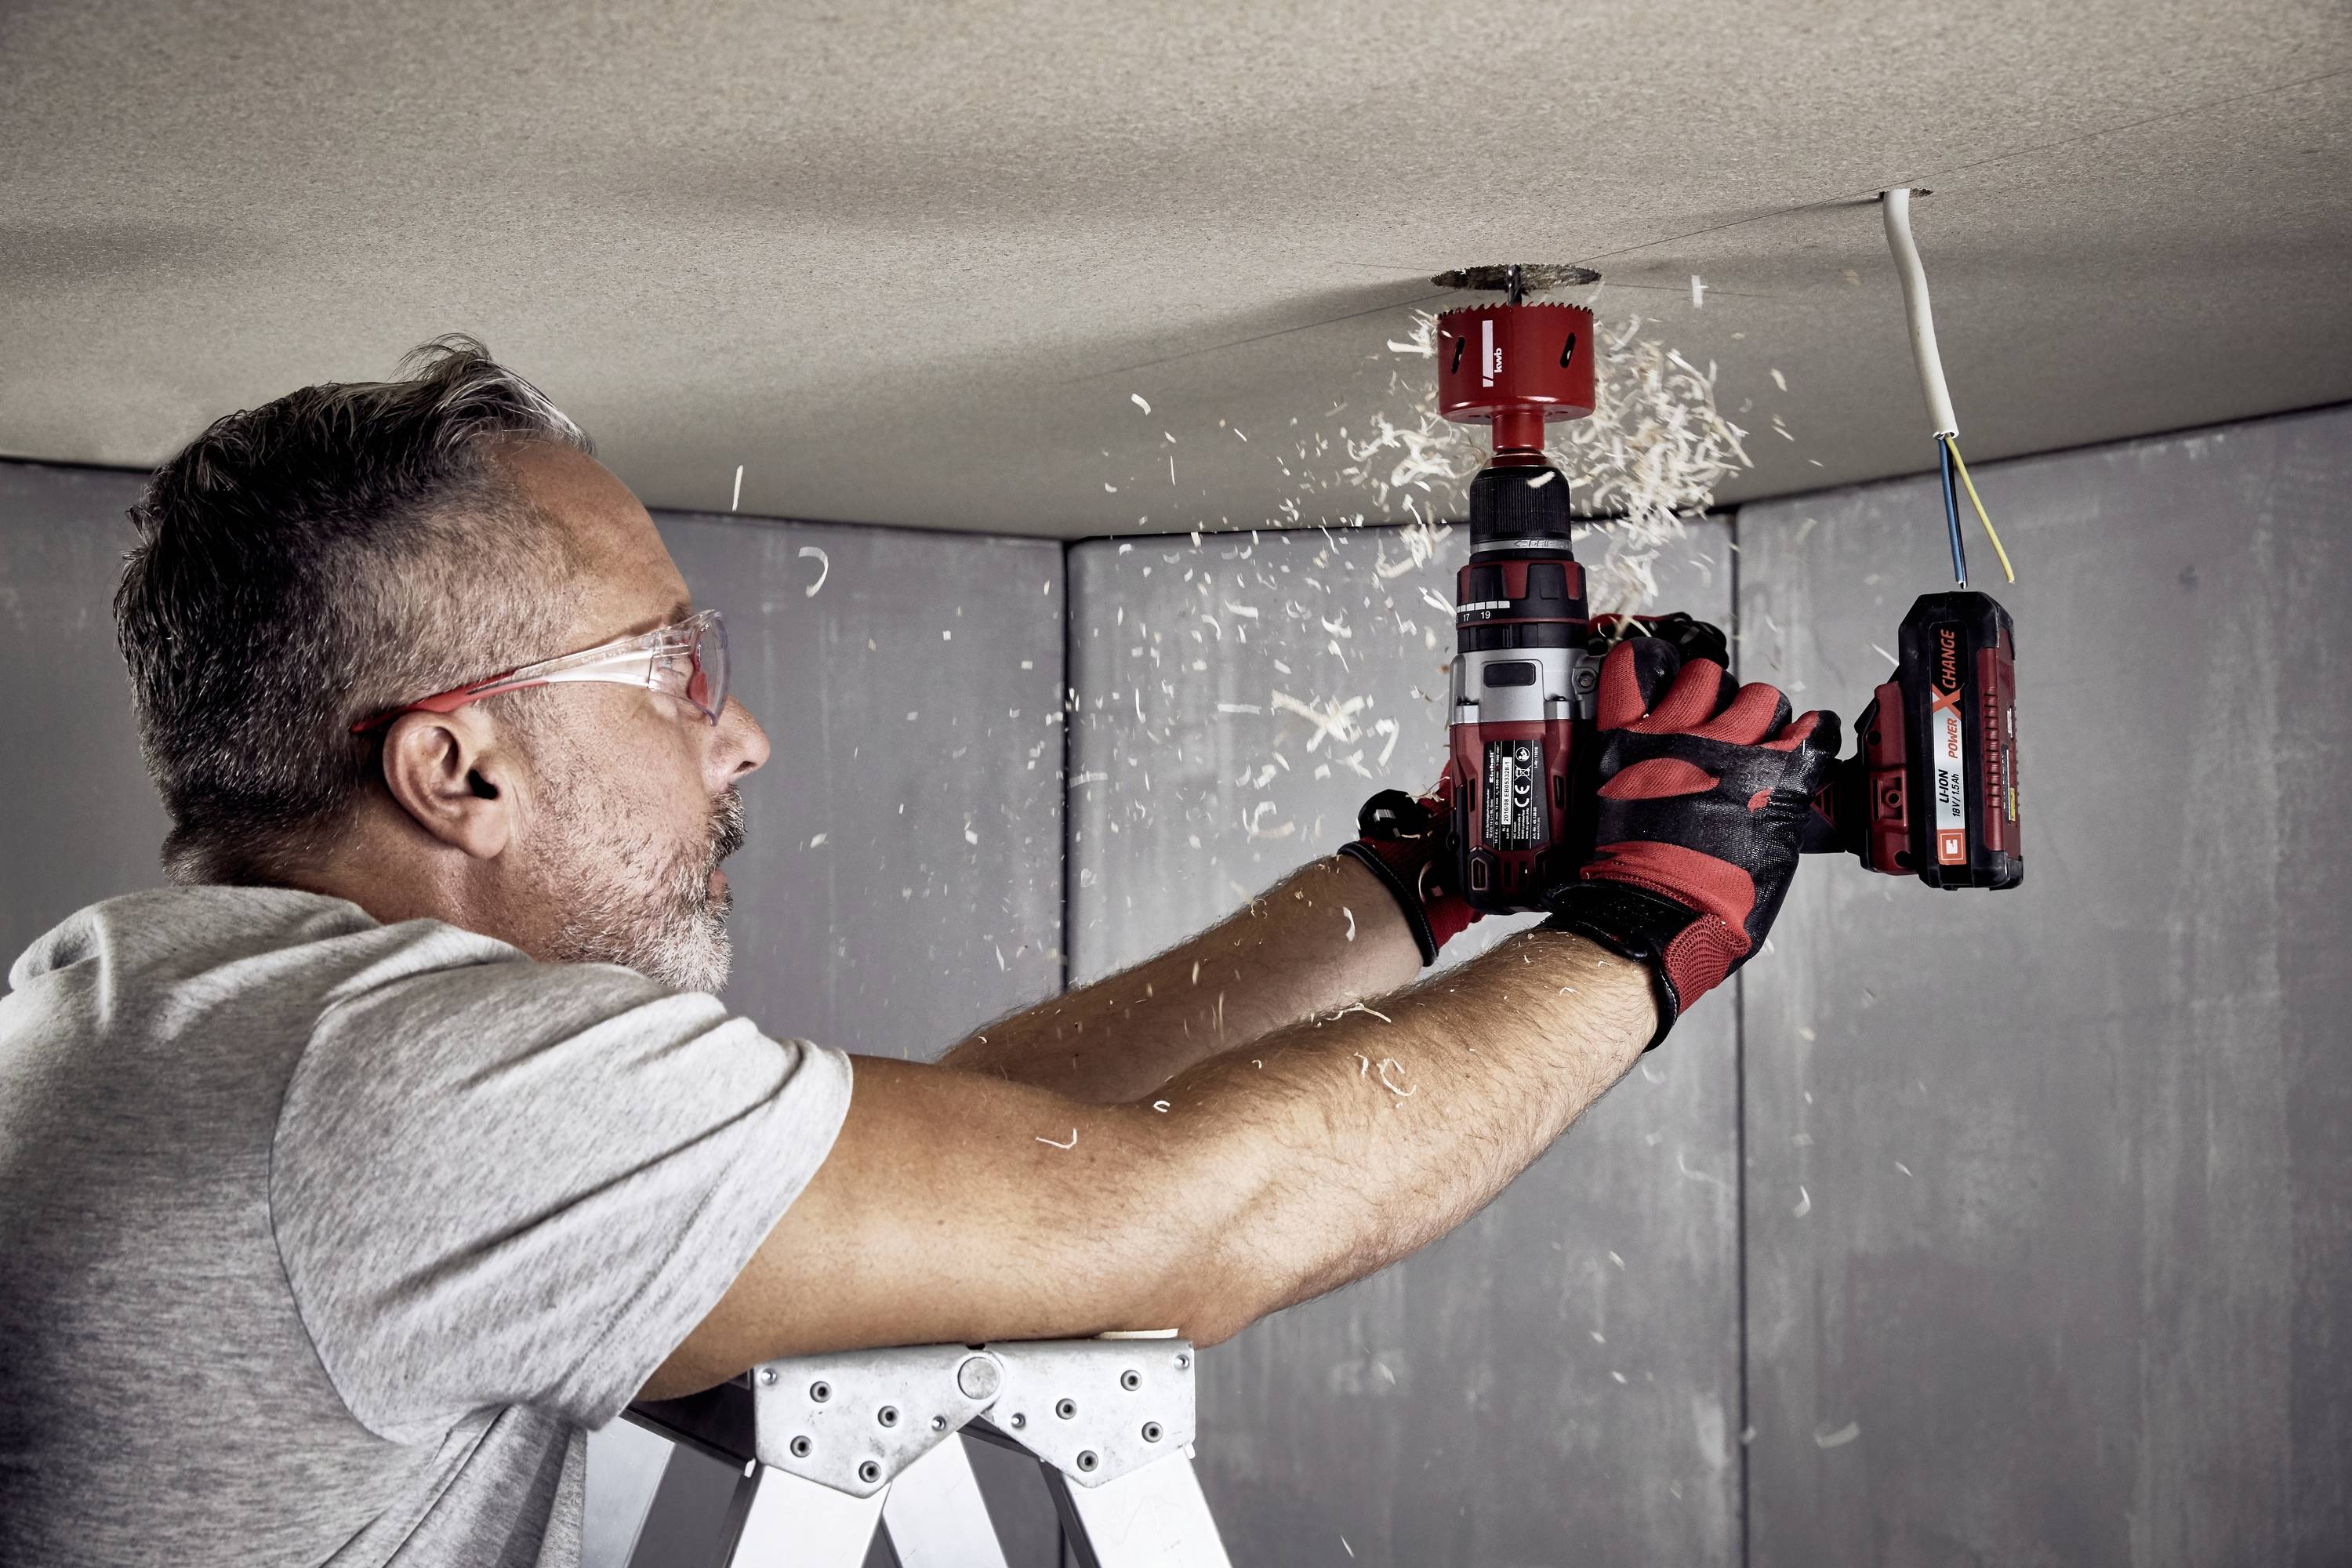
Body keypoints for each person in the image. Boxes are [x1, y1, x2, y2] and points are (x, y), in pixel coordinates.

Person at [0, 339, 1836, 1566]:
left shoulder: (162, 1003)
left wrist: (1413, 884)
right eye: (671, 668)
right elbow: (1177, 1219)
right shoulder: (407, 1092)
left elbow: (951, 1149)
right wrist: (1661, 915)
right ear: (457, 766)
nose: (738, 737)